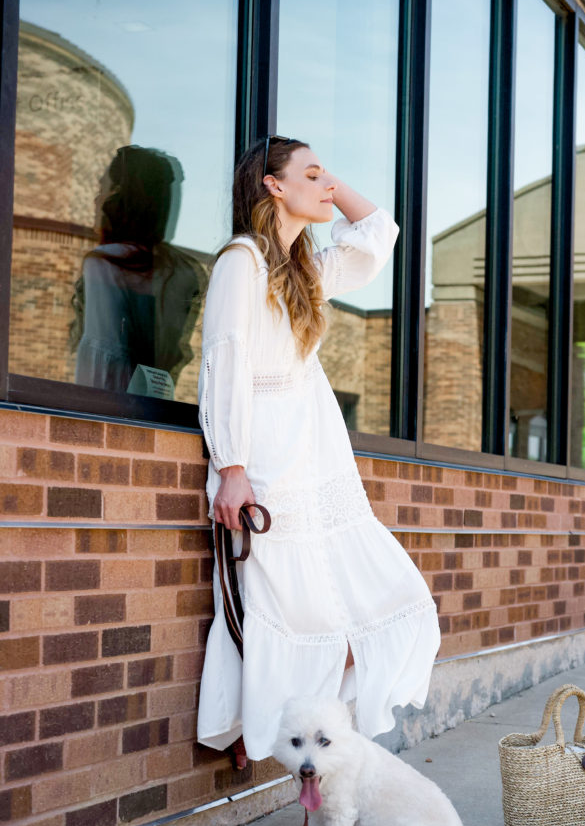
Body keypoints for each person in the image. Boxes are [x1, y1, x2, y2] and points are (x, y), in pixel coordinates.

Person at [197, 135, 441, 764]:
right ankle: (318, 793)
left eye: (327, 173)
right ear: (273, 186)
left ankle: (317, 783)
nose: (327, 185)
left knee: (382, 606)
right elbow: (224, 365)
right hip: (267, 468)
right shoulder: (241, 261)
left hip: (319, 461)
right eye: (311, 174)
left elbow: (378, 231)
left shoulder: (305, 269)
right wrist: (232, 469)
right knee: (304, 624)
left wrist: (327, 179)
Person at [70, 145, 206, 395]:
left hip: (109, 408)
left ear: (119, 196)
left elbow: (101, 353)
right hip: (156, 406)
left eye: (103, 188)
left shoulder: (104, 263)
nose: (96, 199)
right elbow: (175, 354)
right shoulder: (183, 271)